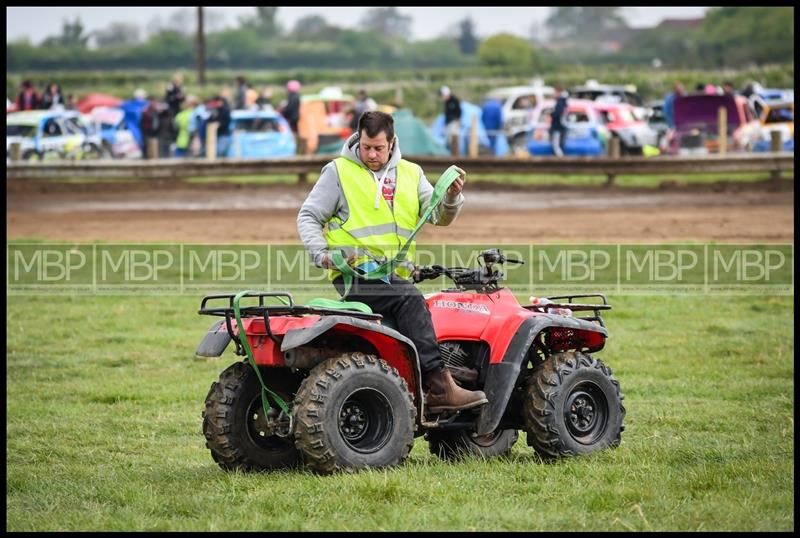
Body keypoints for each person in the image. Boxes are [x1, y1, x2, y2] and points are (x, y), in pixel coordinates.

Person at [297, 110, 488, 414]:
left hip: (394, 279)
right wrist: (321, 254)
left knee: (409, 304)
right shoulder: (337, 172)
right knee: (411, 301)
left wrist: (451, 198)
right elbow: (308, 216)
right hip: (355, 278)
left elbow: (439, 217)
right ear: (358, 140)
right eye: (366, 147)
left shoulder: (412, 174)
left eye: (378, 148)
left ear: (392, 143)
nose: (371, 154)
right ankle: (439, 386)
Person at [440, 86, 462, 153]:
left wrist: (457, 121)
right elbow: (447, 114)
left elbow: (459, 111)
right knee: (448, 140)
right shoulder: (447, 102)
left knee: (454, 139)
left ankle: (455, 154)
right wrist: (446, 124)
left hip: (454, 122)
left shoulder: (454, 101)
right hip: (448, 123)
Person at [549, 84, 568, 157]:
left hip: (558, 127)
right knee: (559, 145)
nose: (553, 94)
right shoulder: (563, 102)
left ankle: (561, 162)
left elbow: (557, 114)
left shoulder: (560, 102)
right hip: (561, 127)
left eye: (554, 92)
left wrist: (551, 114)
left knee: (556, 146)